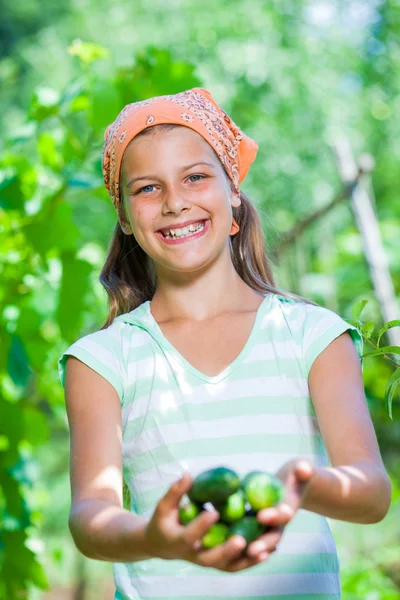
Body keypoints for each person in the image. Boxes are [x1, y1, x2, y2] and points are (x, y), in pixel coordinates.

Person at [58, 87, 391, 600]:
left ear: (233, 190)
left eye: (195, 177)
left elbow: (371, 493)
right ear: (124, 217)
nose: (175, 202)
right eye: (148, 188)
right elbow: (90, 517)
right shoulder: (103, 360)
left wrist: (302, 485)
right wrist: (155, 538)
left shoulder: (312, 334)